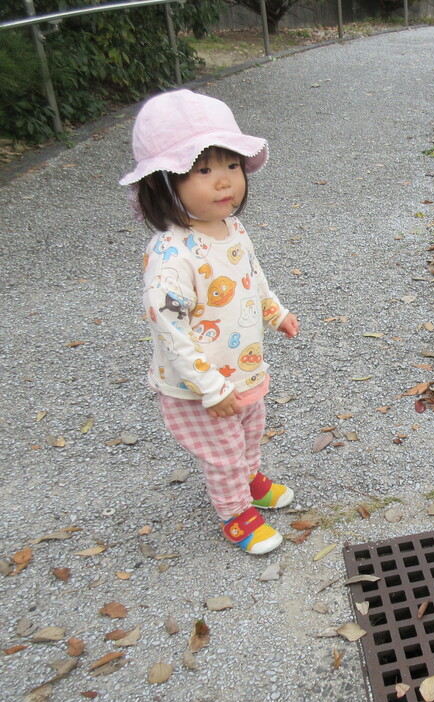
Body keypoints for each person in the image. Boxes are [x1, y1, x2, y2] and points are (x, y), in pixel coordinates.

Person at [120, 89, 300, 555]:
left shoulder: (231, 228)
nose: (225, 183)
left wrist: (273, 310)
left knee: (252, 427)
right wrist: (209, 387)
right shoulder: (172, 255)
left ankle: (249, 477)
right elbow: (168, 328)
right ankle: (234, 511)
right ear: (163, 182)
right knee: (221, 451)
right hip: (201, 385)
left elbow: (251, 274)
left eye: (232, 166)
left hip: (242, 366)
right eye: (203, 170)